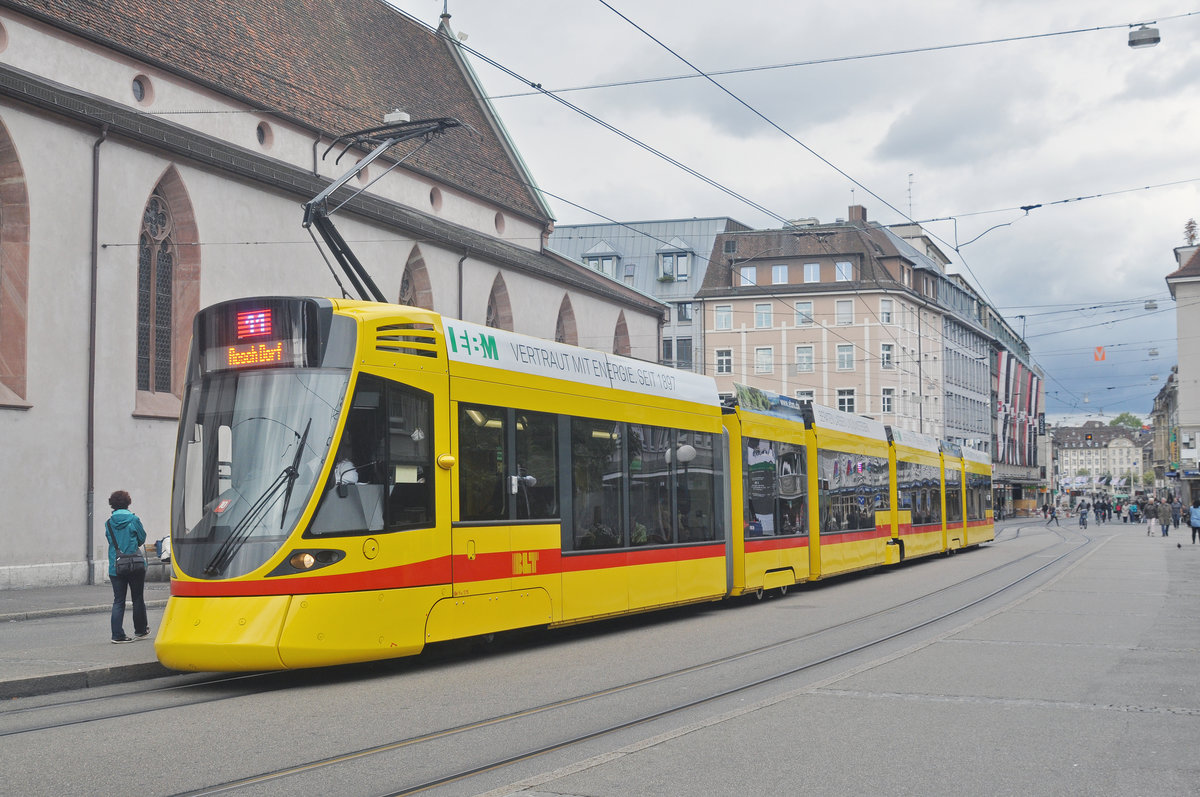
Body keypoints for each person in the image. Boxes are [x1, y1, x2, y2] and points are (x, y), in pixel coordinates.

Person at [105, 490, 149, 643]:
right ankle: (141, 630)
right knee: (138, 598)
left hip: (116, 565)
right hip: (135, 564)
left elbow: (110, 540)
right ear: (128, 502)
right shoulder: (134, 519)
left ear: (112, 504)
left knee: (118, 600)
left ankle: (117, 635)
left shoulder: (109, 523)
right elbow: (142, 538)